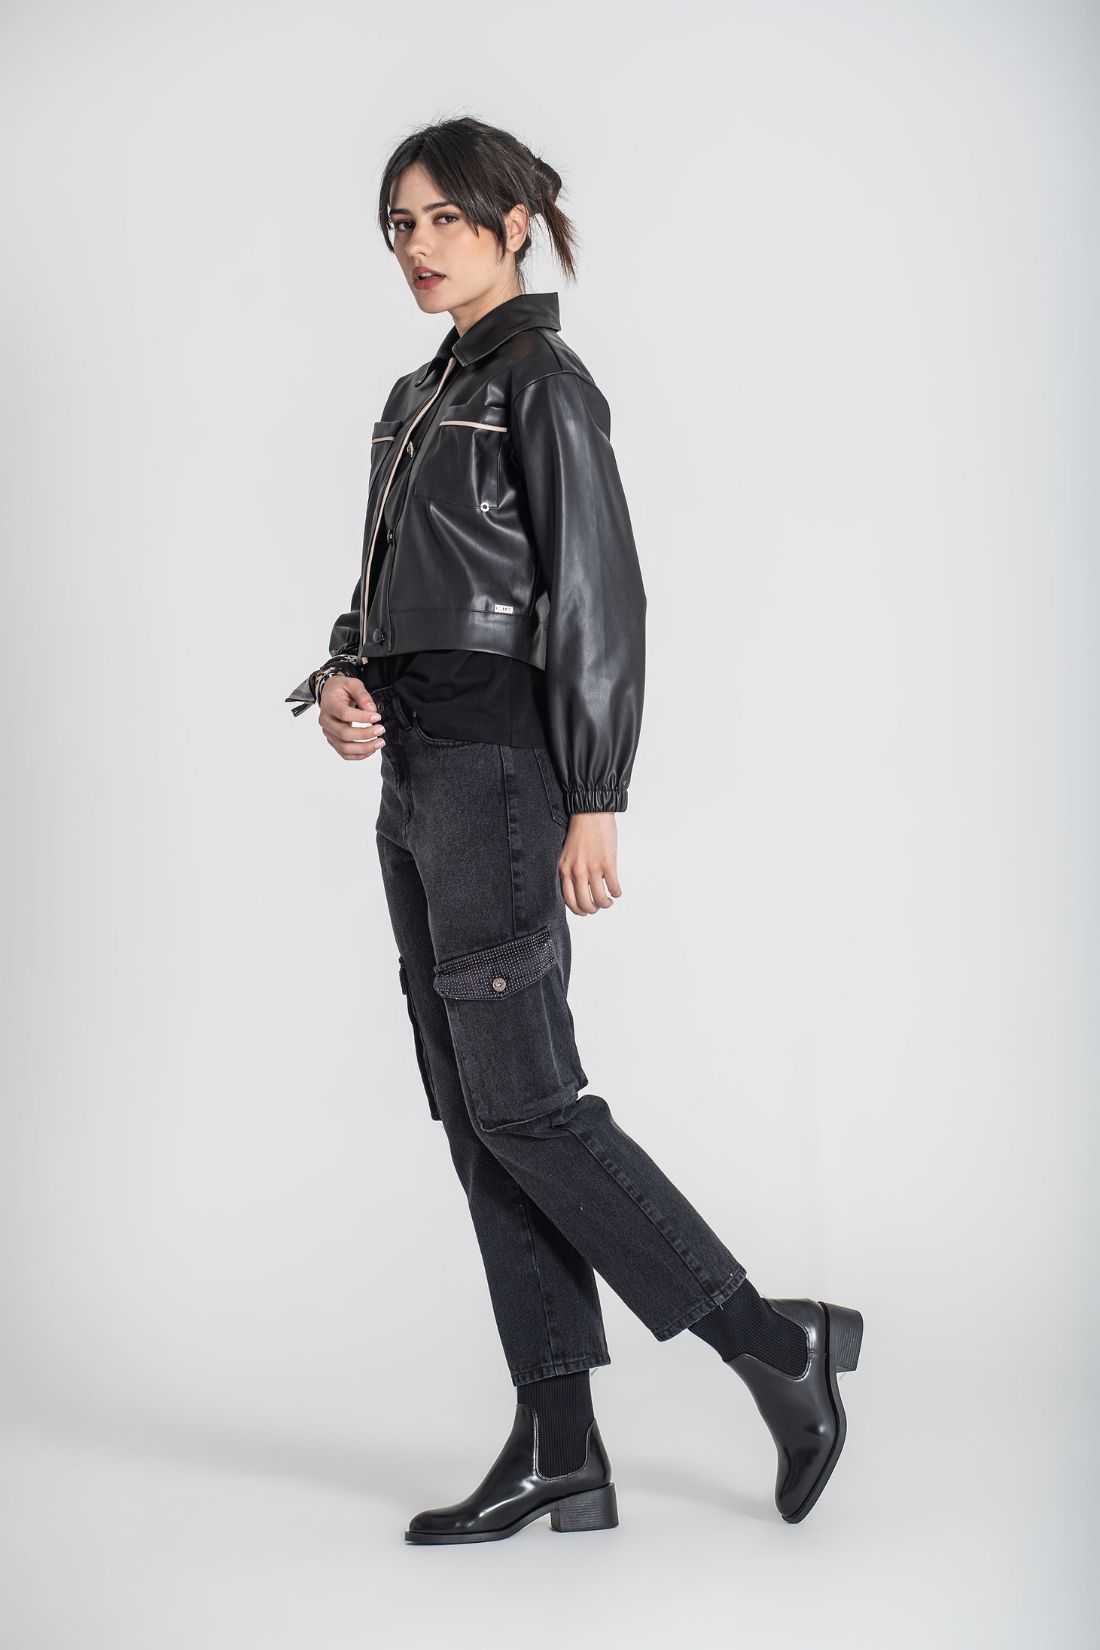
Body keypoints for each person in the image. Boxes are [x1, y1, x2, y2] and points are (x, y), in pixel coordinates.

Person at [286, 115, 863, 1545]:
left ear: (516, 223)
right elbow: (397, 588)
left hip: (501, 779)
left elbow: (601, 595)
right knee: (478, 1112)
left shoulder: (540, 385)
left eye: (444, 218)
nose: (418, 246)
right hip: (418, 779)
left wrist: (596, 792)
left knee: (529, 1104)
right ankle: (561, 1448)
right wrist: (345, 675)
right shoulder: (417, 396)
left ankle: (772, 1343)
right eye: (400, 224)